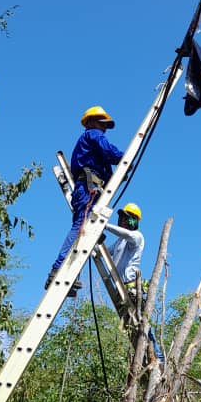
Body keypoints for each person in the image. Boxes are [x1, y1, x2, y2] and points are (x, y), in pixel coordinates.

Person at [45, 105, 124, 297]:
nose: (103, 127)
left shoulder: (90, 145)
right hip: (88, 188)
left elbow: (106, 163)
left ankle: (69, 275)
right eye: (100, 122)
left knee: (86, 229)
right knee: (81, 226)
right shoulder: (93, 135)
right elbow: (110, 152)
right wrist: (125, 158)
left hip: (89, 188)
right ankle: (58, 270)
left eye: (104, 124)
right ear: (89, 122)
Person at [106, 203, 164, 363]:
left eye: (126, 218)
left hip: (130, 287)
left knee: (144, 328)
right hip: (120, 288)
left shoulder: (137, 236)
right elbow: (105, 252)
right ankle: (146, 359)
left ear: (134, 220)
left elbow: (127, 235)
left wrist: (104, 225)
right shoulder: (119, 242)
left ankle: (159, 360)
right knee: (134, 330)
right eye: (121, 218)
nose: (122, 220)